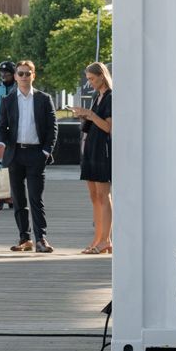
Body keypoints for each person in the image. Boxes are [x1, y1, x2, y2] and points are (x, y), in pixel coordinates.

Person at [0, 58, 59, 253]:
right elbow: (1, 127)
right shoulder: (7, 100)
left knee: (35, 198)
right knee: (18, 200)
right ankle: (25, 238)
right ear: (15, 76)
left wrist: (46, 151)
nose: (24, 77)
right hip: (14, 154)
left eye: (27, 73)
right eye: (20, 73)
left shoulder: (43, 98)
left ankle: (41, 239)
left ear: (33, 75)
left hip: (36, 154)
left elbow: (52, 128)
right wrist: (1, 143)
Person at [71, 62, 115, 254]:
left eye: (92, 78)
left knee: (103, 195)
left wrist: (90, 114)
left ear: (102, 76)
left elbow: (108, 127)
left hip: (102, 149)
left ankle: (105, 239)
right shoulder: (99, 96)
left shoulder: (111, 97)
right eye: (88, 79)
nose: (90, 83)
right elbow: (94, 123)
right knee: (94, 196)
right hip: (91, 147)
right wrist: (84, 115)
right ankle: (98, 238)